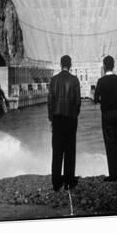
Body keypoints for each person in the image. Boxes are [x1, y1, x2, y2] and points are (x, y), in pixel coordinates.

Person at [48, 55, 81, 191]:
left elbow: (50, 102)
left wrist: (51, 119)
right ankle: (68, 182)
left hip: (57, 119)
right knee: (69, 150)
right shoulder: (74, 80)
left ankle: (56, 183)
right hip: (70, 119)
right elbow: (78, 102)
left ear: (61, 64)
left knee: (57, 151)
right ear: (70, 65)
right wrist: (74, 117)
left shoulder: (54, 80)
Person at [94, 55, 117, 181]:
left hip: (107, 114)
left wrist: (103, 99)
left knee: (110, 143)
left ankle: (114, 175)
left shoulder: (101, 81)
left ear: (104, 66)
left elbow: (96, 99)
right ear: (113, 65)